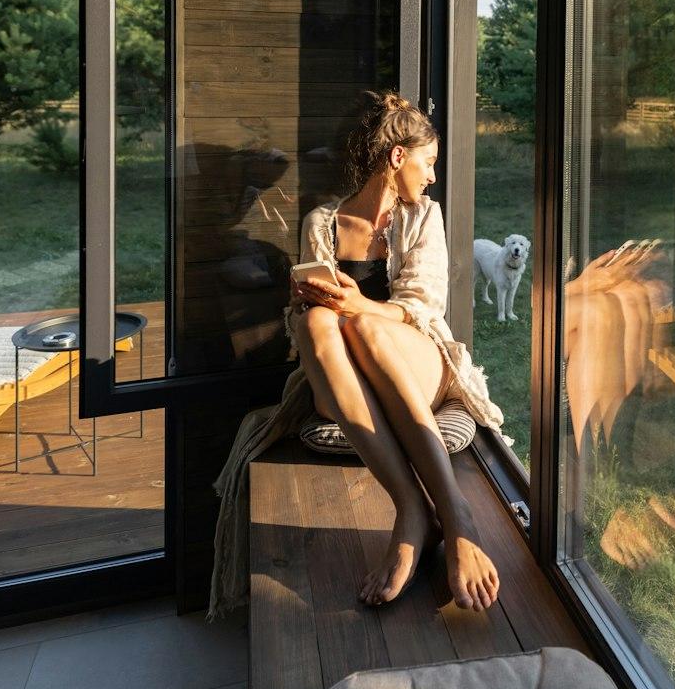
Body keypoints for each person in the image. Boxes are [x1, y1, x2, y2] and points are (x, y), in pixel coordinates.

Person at [209, 91, 507, 619]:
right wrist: (306, 304)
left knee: (367, 328)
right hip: (340, 382)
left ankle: (458, 519)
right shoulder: (323, 223)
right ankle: (413, 508)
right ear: (398, 158)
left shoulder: (423, 217)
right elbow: (311, 321)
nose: (432, 176)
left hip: (419, 362)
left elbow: (422, 305)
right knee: (320, 320)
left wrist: (360, 304)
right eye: (429, 162)